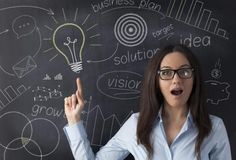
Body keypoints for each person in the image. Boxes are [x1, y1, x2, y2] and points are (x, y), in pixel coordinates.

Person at [63, 44, 232, 160]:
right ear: (156, 81)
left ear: (194, 79)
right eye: (166, 73)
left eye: (184, 72)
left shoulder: (214, 128)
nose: (176, 80)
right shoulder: (136, 125)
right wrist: (74, 120)